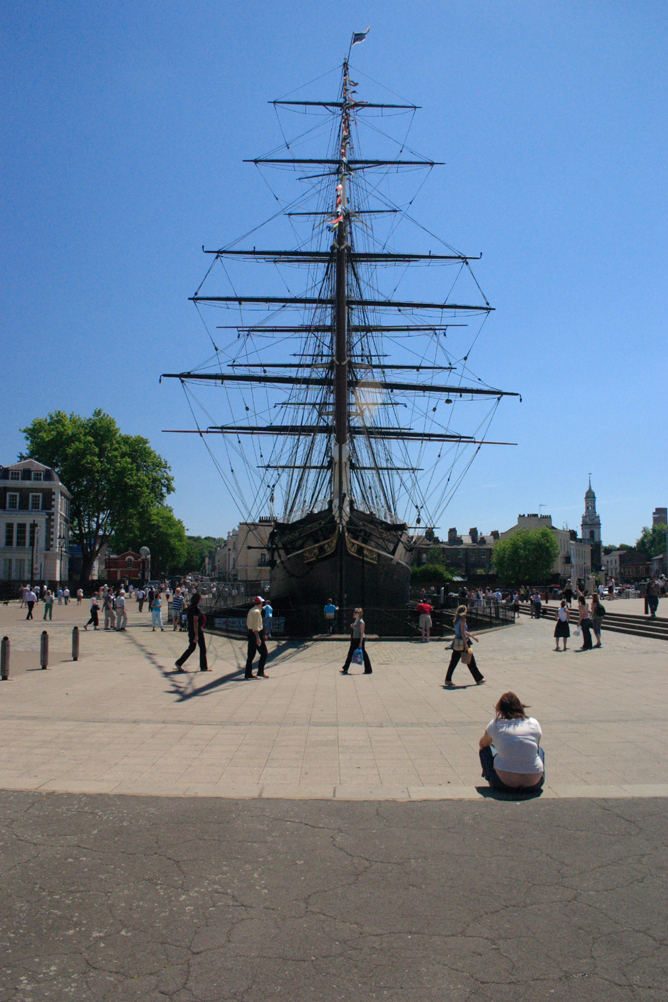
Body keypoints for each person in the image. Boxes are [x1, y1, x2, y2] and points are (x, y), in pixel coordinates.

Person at [479, 692, 545, 793]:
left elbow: (483, 744)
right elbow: (536, 746)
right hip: (534, 783)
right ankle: (536, 773)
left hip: (503, 784)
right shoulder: (533, 722)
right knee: (539, 750)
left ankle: (488, 776)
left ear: (500, 710)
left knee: (485, 750)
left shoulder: (495, 723)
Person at [445, 605, 485, 686]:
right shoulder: (463, 620)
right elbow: (463, 633)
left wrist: (473, 637)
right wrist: (466, 644)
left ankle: (448, 679)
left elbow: (462, 631)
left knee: (453, 661)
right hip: (462, 642)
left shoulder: (456, 620)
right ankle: (478, 678)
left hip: (456, 642)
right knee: (470, 661)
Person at [174, 592, 210, 672]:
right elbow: (195, 622)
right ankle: (203, 667)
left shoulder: (190, 608)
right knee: (202, 648)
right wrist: (196, 635)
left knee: (192, 648)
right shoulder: (196, 609)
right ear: (198, 600)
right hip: (197, 630)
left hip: (190, 630)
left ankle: (179, 662)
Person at [341, 607, 372, 674]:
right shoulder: (356, 621)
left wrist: (361, 642)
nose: (354, 613)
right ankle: (345, 668)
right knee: (350, 653)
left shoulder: (361, 622)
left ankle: (368, 669)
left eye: (355, 612)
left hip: (359, 640)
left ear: (359, 614)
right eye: (354, 612)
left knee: (363, 654)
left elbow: (361, 633)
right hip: (354, 639)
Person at [244, 596, 268, 679]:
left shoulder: (251, 610)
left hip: (250, 633)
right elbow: (256, 627)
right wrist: (258, 637)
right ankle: (260, 672)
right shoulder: (257, 612)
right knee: (264, 653)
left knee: (250, 655)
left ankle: (248, 673)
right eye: (262, 603)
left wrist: (263, 634)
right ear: (260, 603)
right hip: (255, 634)